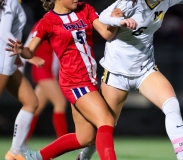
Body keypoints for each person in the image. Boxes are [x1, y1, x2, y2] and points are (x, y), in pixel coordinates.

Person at [6, 0, 137, 159]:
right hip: (74, 82)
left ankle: (33, 157)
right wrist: (21, 50)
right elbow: (30, 51)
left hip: (90, 79)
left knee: (85, 138)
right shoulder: (48, 21)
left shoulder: (85, 9)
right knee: (106, 120)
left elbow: (106, 33)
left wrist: (115, 21)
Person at [78, 0, 183, 160]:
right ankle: (83, 158)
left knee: (172, 105)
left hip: (145, 70)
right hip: (116, 73)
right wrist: (119, 20)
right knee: (104, 126)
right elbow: (104, 16)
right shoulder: (129, 3)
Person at [0, 0, 41, 159]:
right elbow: (4, 32)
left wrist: (16, 55)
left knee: (31, 101)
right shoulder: (10, 2)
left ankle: (15, 152)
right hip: (2, 63)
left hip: (7, 61)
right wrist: (24, 53)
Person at [19, 21, 68, 151]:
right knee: (60, 103)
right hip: (42, 70)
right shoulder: (43, 24)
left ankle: (21, 142)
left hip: (50, 72)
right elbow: (26, 48)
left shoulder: (62, 24)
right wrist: (20, 71)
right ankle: (63, 142)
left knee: (37, 107)